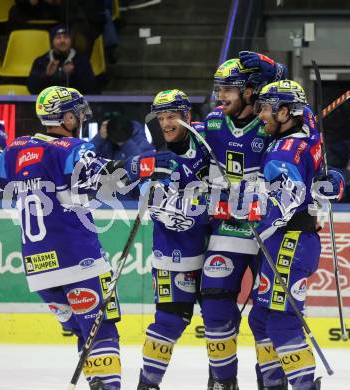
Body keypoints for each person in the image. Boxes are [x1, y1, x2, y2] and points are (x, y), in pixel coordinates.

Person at [0, 85, 172, 390]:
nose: (81, 119)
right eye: (78, 113)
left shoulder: (17, 149)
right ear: (67, 117)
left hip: (38, 268)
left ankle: (97, 383)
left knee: (86, 333)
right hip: (78, 260)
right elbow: (108, 178)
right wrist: (141, 165)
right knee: (102, 331)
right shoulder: (70, 148)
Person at [199, 53, 288, 390]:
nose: (220, 95)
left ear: (251, 91)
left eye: (229, 88)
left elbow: (302, 128)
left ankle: (272, 382)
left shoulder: (273, 122)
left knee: (267, 315)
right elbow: (188, 157)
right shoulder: (211, 124)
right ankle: (222, 381)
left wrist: (274, 69)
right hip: (229, 228)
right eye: (218, 87)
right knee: (215, 306)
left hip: (269, 231)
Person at [247, 80, 325, 390]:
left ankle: (304, 385)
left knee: (282, 323)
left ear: (283, 112)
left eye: (265, 109)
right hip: (286, 243)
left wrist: (249, 208)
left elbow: (284, 203)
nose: (259, 115)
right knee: (261, 319)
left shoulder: (282, 151)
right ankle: (272, 384)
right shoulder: (308, 136)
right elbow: (320, 180)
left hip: (290, 242)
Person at [136, 89, 211, 389]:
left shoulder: (207, 140)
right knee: (169, 320)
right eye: (161, 117)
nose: (166, 123)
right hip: (172, 252)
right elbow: (149, 203)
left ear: (187, 117)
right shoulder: (153, 158)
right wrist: (162, 206)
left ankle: (220, 381)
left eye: (173, 116)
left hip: (215, 246)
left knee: (219, 320)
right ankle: (148, 384)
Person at [28, 25, 98, 95]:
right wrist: (47, 75)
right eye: (58, 38)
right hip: (48, 103)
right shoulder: (41, 61)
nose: (62, 41)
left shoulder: (82, 61)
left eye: (66, 37)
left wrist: (73, 75)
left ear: (71, 40)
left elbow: (92, 90)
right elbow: (32, 89)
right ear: (52, 42)